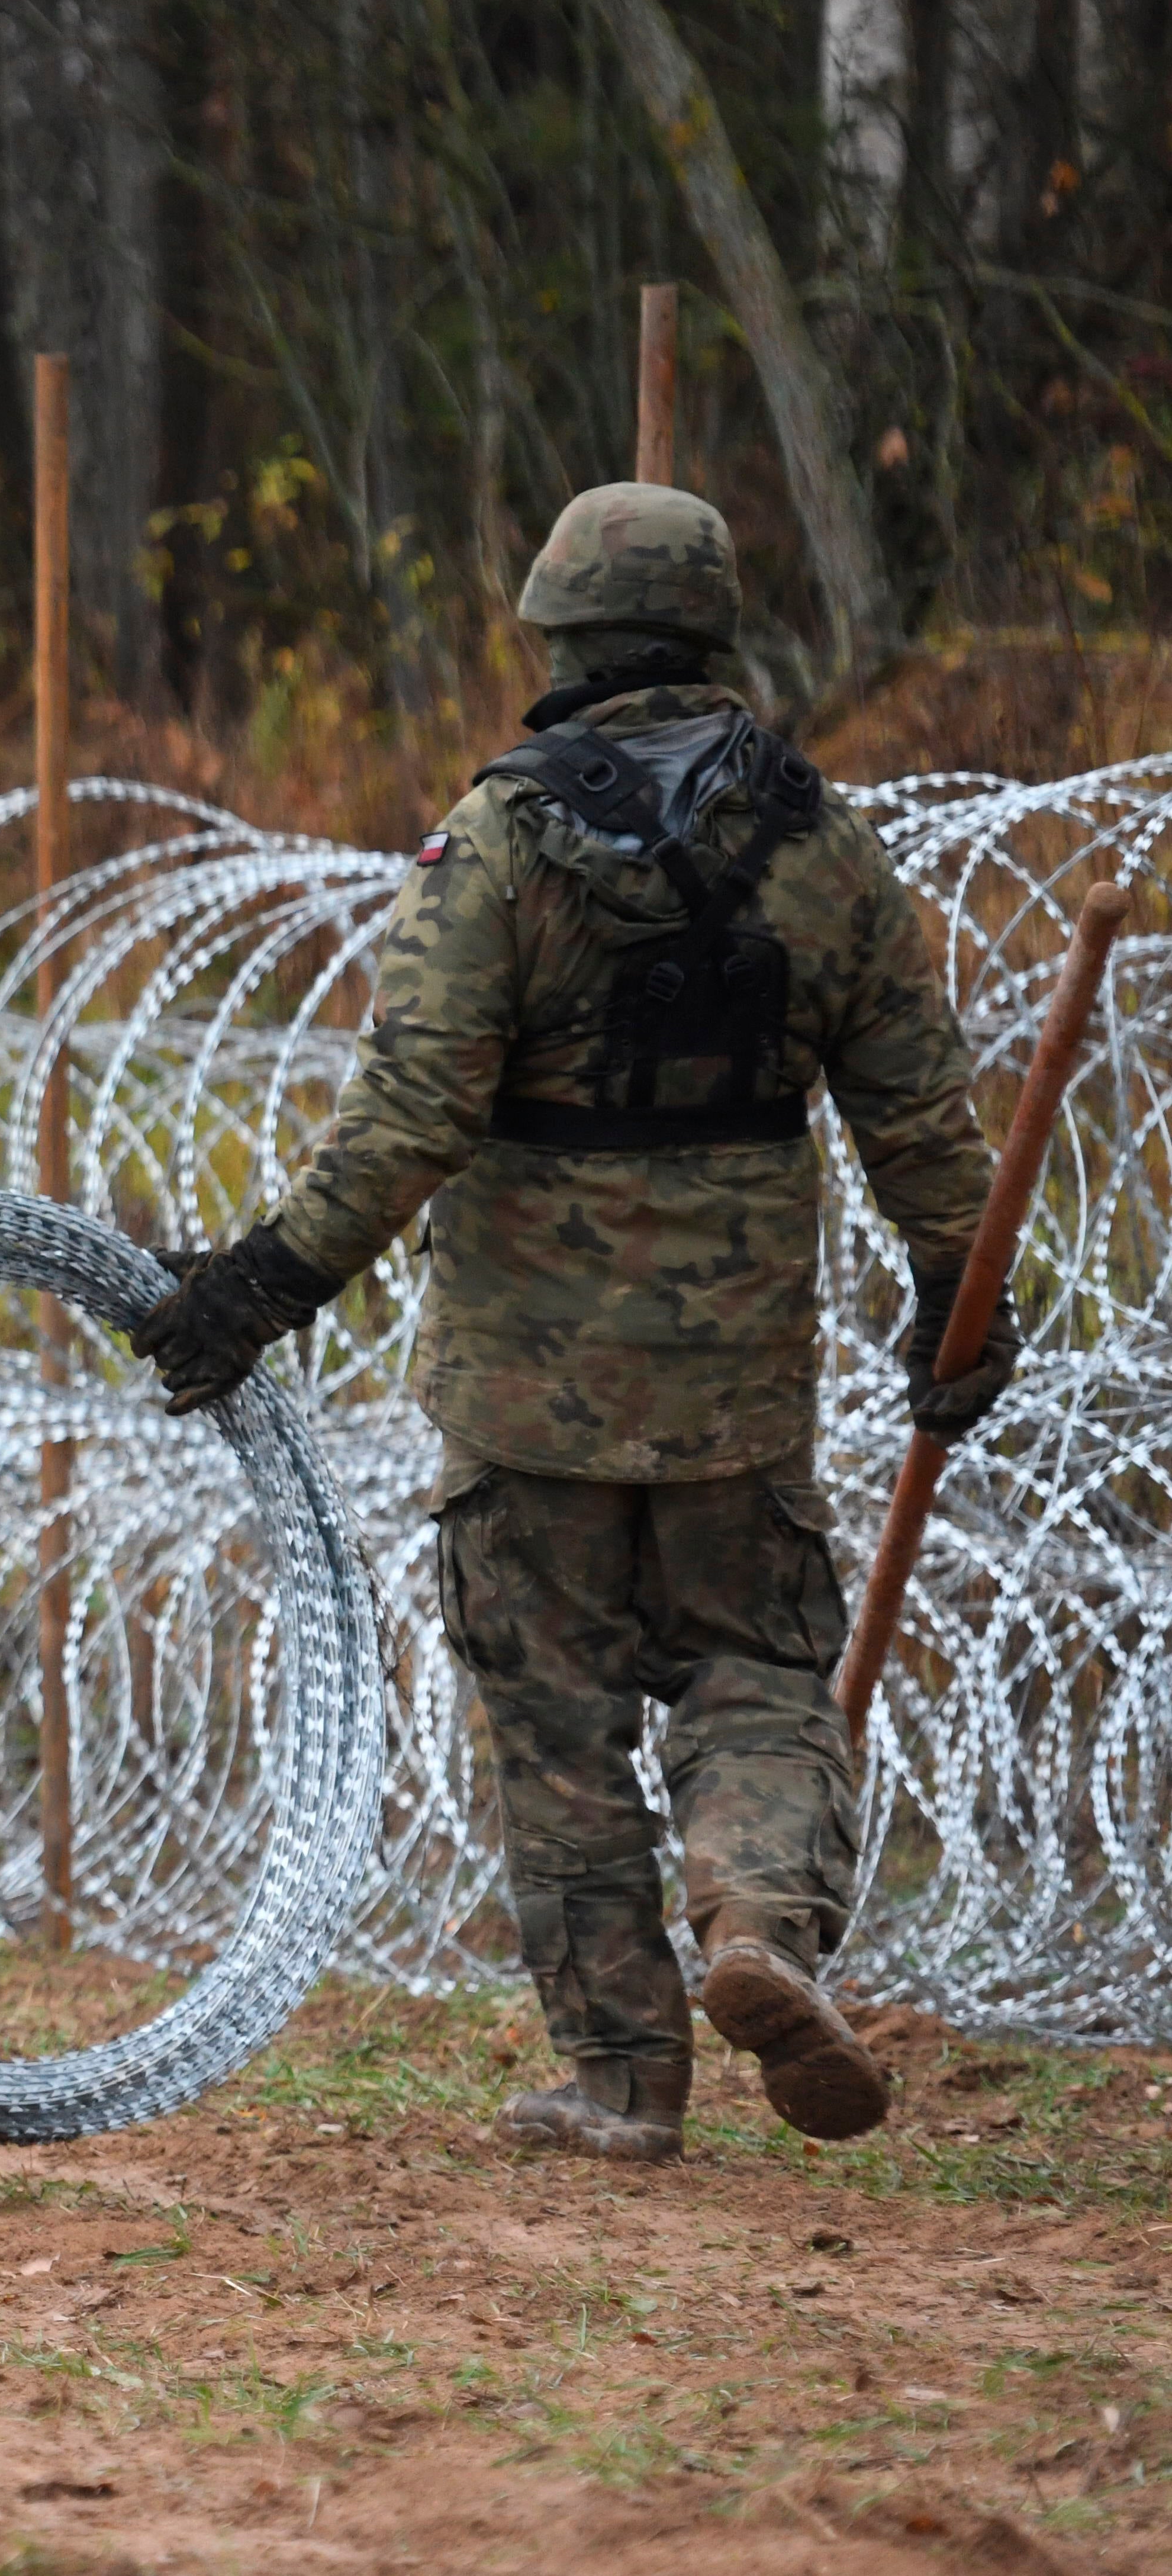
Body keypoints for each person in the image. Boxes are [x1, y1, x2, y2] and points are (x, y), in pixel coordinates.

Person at [128, 483, 1004, 2164]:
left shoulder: (505, 839)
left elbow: (407, 1119)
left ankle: (623, 2076)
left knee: (556, 1718)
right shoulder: (825, 840)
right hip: (741, 1379)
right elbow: (923, 1120)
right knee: (753, 1670)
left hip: (528, 1387)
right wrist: (968, 1313)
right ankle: (759, 1922)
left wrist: (260, 1287)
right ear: (713, 627)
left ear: (558, 637)